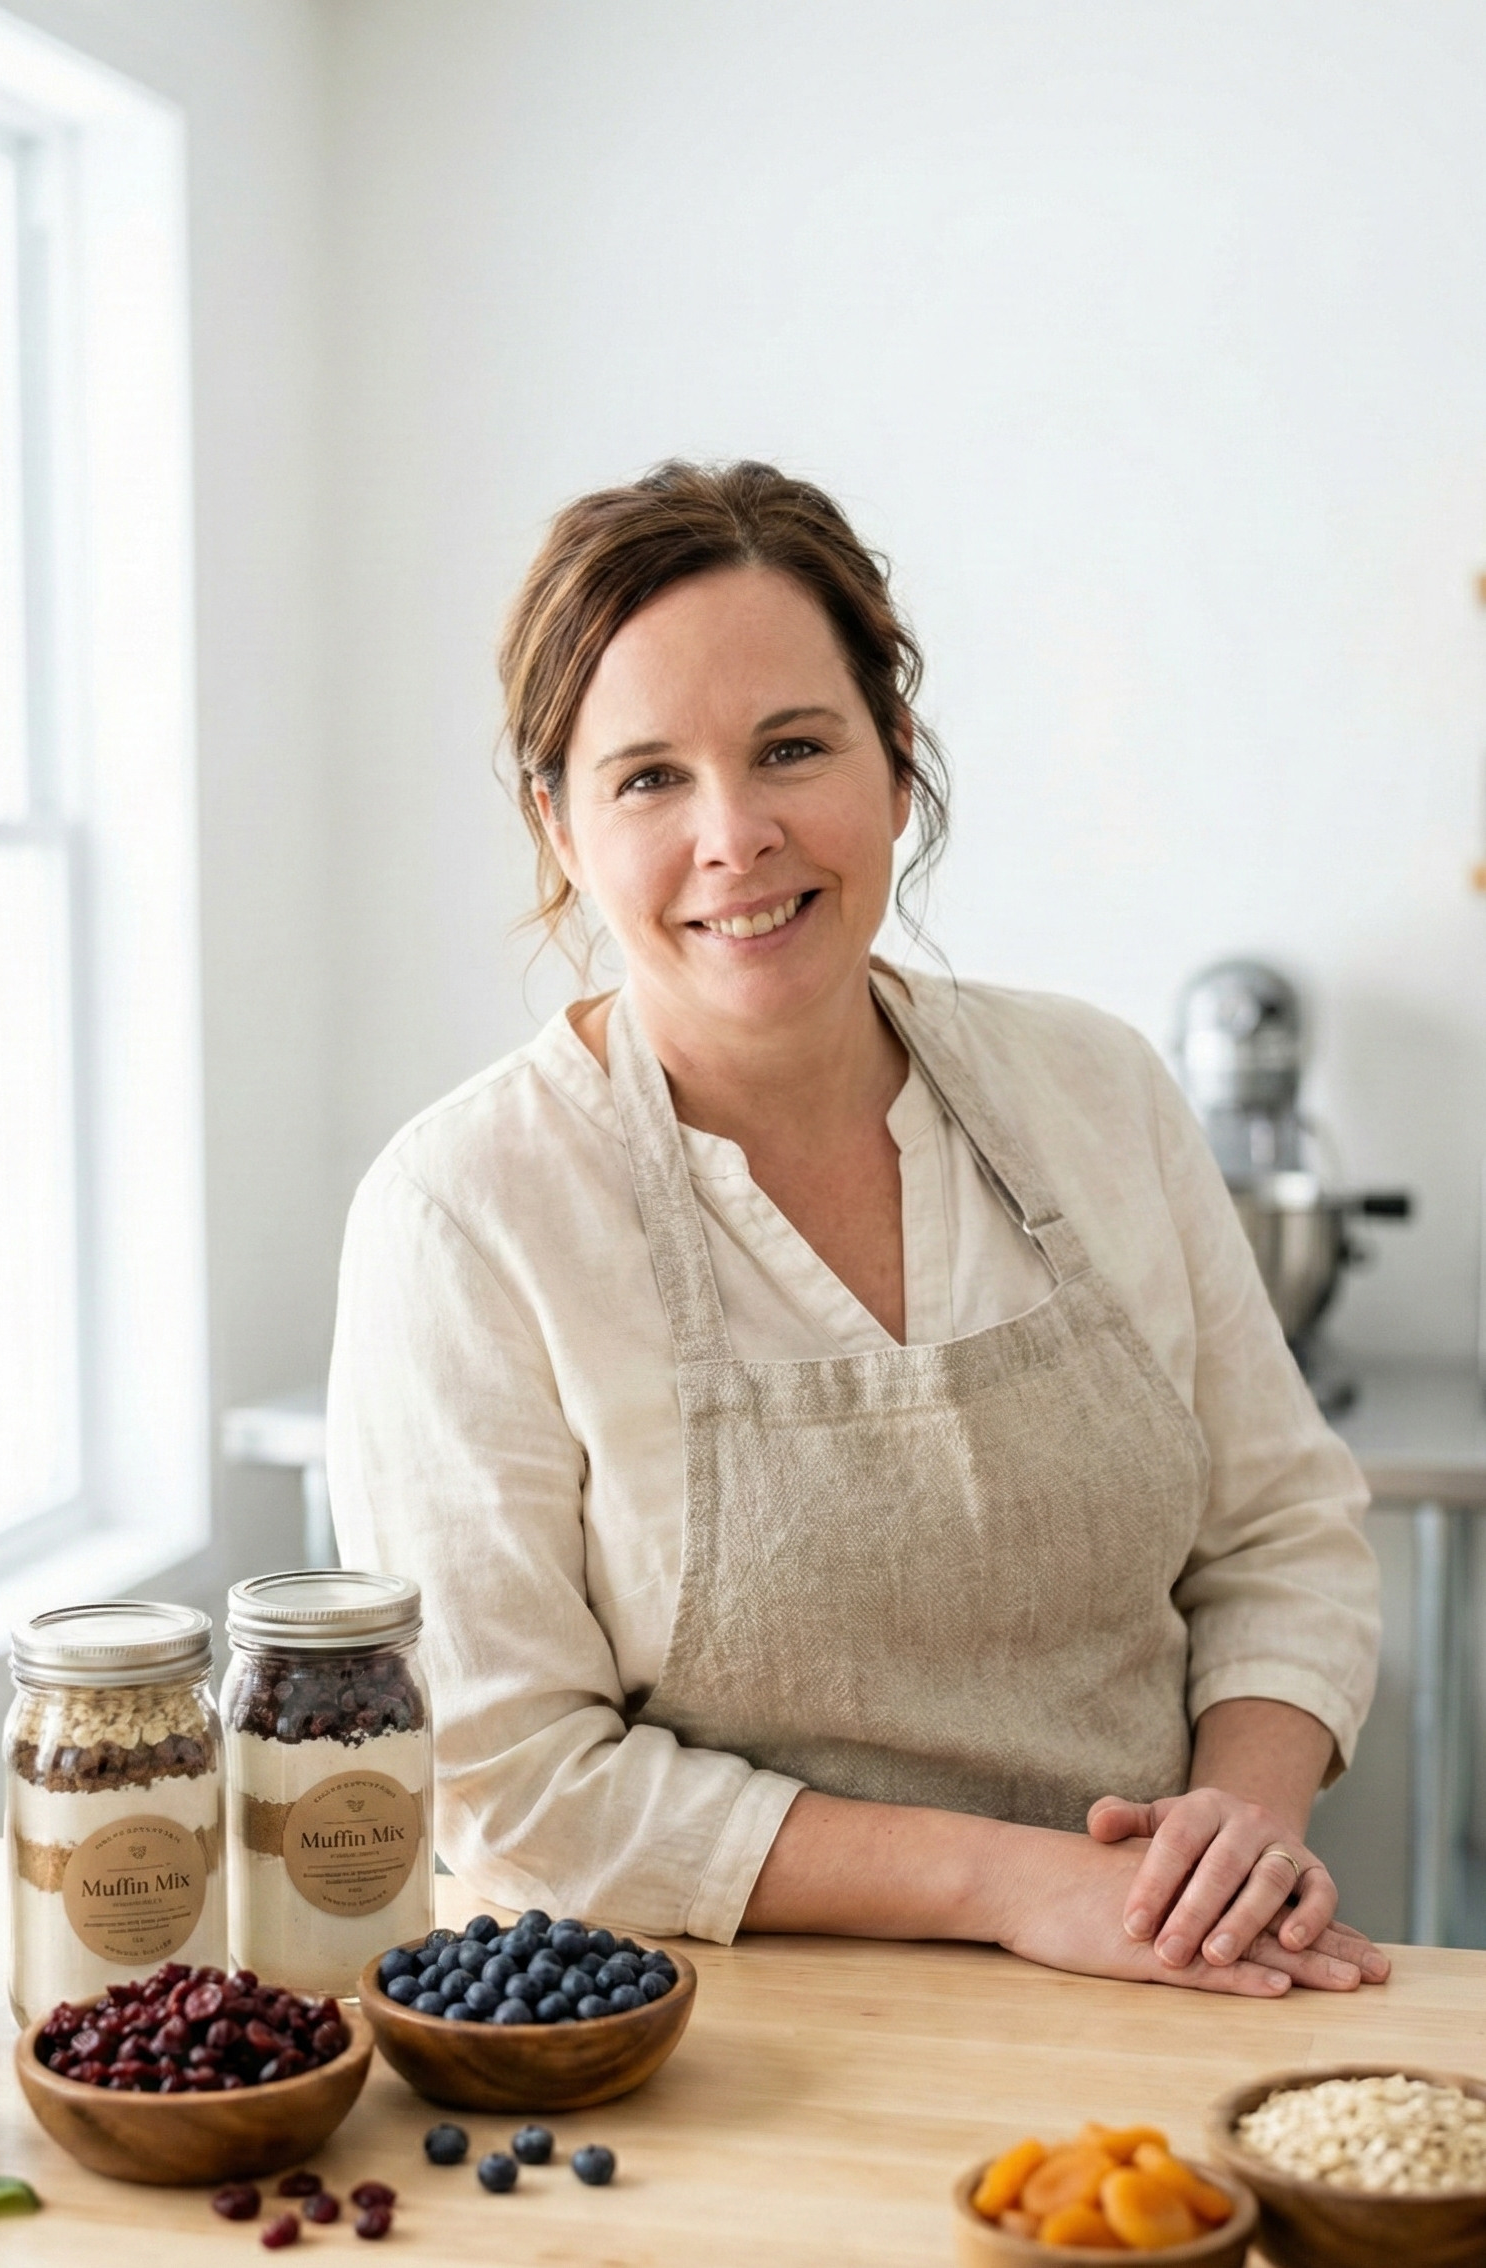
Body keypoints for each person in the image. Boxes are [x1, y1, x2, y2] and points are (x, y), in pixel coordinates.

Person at [329, 460, 1385, 1999]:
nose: (735, 834)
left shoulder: (1096, 1089)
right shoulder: (463, 1212)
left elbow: (1281, 1534)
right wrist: (1016, 1885)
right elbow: (512, 1781)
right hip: (694, 2051)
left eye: (792, 747)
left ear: (896, 764)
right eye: (648, 778)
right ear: (555, 824)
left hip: (1162, 1980)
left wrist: (1235, 1825)